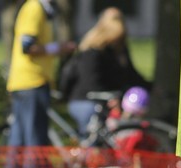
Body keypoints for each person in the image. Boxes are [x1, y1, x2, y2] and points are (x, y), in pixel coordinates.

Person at [0, 0, 75, 168]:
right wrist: (58, 48)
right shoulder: (34, 9)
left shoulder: (41, 10)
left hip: (27, 83)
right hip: (32, 83)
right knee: (35, 143)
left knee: (20, 142)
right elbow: (28, 46)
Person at [59, 7, 149, 139]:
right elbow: (91, 82)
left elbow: (130, 74)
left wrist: (150, 86)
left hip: (107, 100)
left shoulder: (118, 50)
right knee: (94, 140)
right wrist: (109, 98)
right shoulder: (92, 51)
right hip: (85, 100)